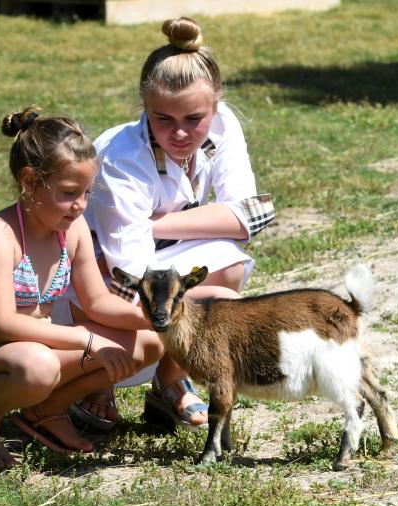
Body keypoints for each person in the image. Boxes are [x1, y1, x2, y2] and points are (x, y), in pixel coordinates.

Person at [65, 17, 275, 432]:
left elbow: (253, 213)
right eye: (163, 119)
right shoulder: (123, 157)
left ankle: (167, 378)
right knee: (211, 296)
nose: (179, 133)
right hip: (96, 276)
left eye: (194, 118)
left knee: (229, 264)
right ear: (144, 107)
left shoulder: (223, 122)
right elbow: (134, 272)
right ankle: (124, 380)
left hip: (153, 250)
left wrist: (156, 223)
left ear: (215, 106)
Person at [0, 106, 168, 470]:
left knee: (150, 341)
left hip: (40, 351)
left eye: (86, 192)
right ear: (30, 182)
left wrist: (150, 316)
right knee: (39, 366)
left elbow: (96, 302)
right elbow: (3, 325)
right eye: (68, 192)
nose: (80, 205)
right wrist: (88, 341)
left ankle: (46, 411)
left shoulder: (72, 230)